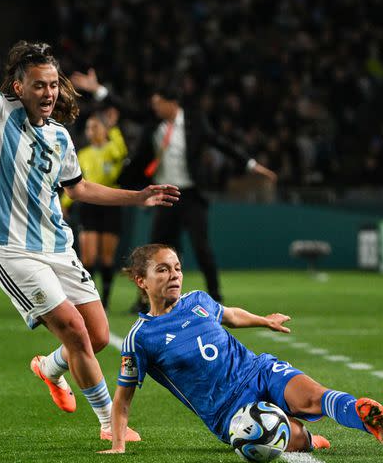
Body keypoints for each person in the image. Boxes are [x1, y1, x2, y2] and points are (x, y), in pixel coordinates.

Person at [0, 0, 180, 440]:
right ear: (19, 87)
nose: (48, 92)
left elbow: (81, 189)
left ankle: (49, 368)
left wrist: (139, 196)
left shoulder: (61, 138)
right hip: (11, 248)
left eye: (52, 85)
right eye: (39, 85)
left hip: (57, 246)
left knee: (101, 335)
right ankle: (111, 424)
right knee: (74, 329)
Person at [99, 244, 383, 454]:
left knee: (313, 397)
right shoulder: (140, 338)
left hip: (258, 370)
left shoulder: (199, 301)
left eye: (177, 268)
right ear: (142, 281)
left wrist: (264, 321)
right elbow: (123, 400)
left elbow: (230, 315)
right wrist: (118, 445)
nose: (175, 275)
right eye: (162, 270)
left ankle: (365, 416)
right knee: (287, 438)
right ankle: (308, 439)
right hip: (230, 411)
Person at [71, 69, 277, 310]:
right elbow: (128, 110)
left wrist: (251, 165)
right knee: (155, 250)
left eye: (159, 103)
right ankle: (145, 300)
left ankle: (216, 297)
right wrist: (98, 90)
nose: (155, 108)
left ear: (172, 103)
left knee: (202, 247)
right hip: (164, 195)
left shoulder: (194, 122)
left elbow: (221, 143)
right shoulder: (154, 121)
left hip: (190, 194)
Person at [61, 112, 128, 309]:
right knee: (88, 257)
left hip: (110, 204)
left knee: (107, 258)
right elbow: (74, 182)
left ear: (104, 130)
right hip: (88, 205)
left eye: (95, 127)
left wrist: (113, 128)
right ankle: (89, 300)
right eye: (89, 128)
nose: (91, 132)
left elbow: (121, 152)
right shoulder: (83, 154)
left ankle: (105, 301)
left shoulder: (112, 149)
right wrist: (65, 202)